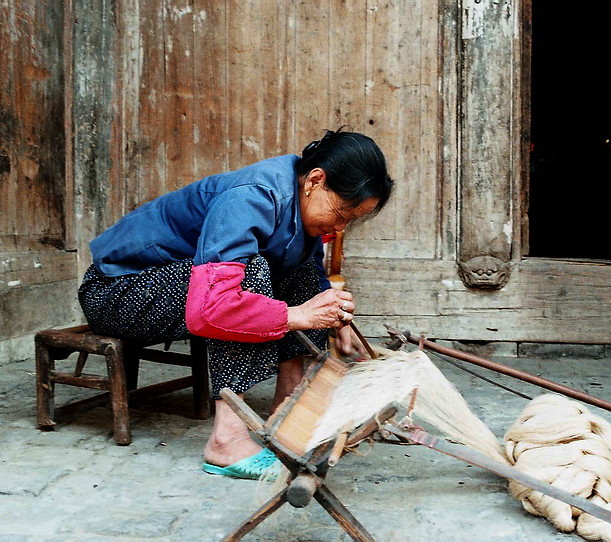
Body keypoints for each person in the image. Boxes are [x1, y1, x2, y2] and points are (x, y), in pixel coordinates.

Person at [78, 128, 393, 479]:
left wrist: (335, 316)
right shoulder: (254, 195)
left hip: (167, 289)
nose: (341, 225)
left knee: (297, 276)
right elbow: (212, 308)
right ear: (315, 181)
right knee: (249, 275)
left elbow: (305, 273)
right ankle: (225, 440)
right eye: (342, 212)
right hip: (116, 293)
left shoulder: (296, 204)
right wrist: (299, 315)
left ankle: (288, 408)